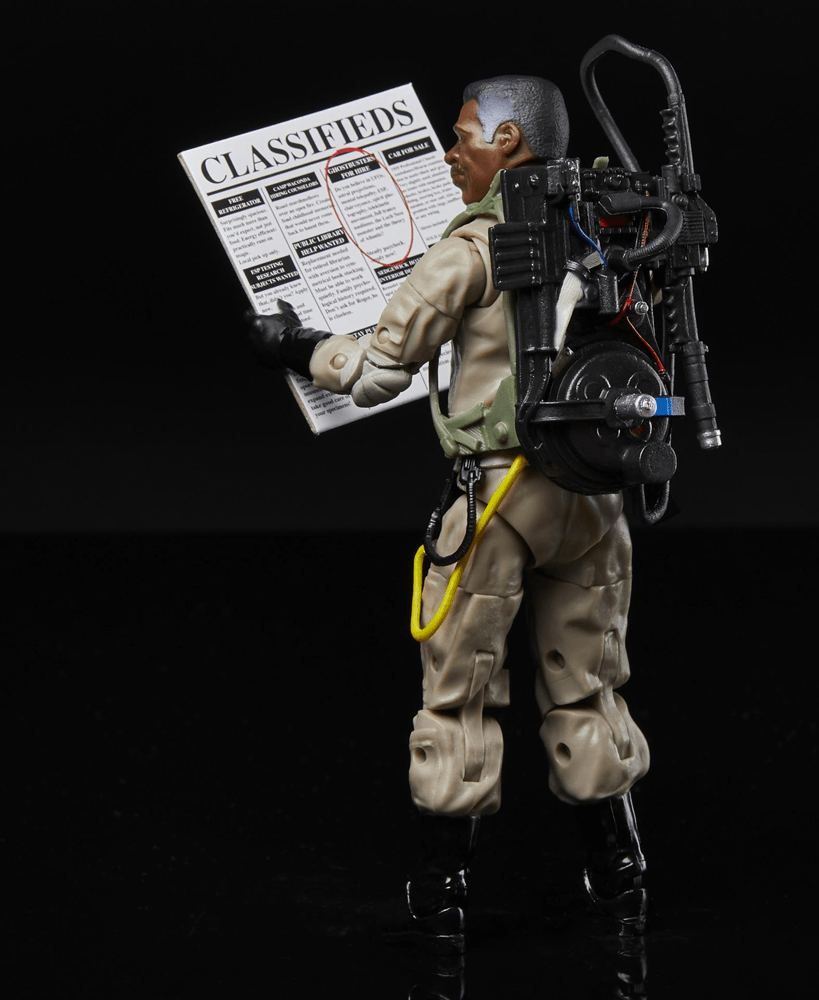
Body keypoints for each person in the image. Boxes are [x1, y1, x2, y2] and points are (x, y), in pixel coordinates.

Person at [250, 76, 650, 947]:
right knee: (589, 685)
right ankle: (621, 868)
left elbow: (374, 375)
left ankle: (441, 889)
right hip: (594, 496)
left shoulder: (473, 248)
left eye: (464, 135)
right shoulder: (612, 228)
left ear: (508, 144)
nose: (450, 151)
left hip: (499, 495)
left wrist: (293, 344)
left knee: (458, 695)